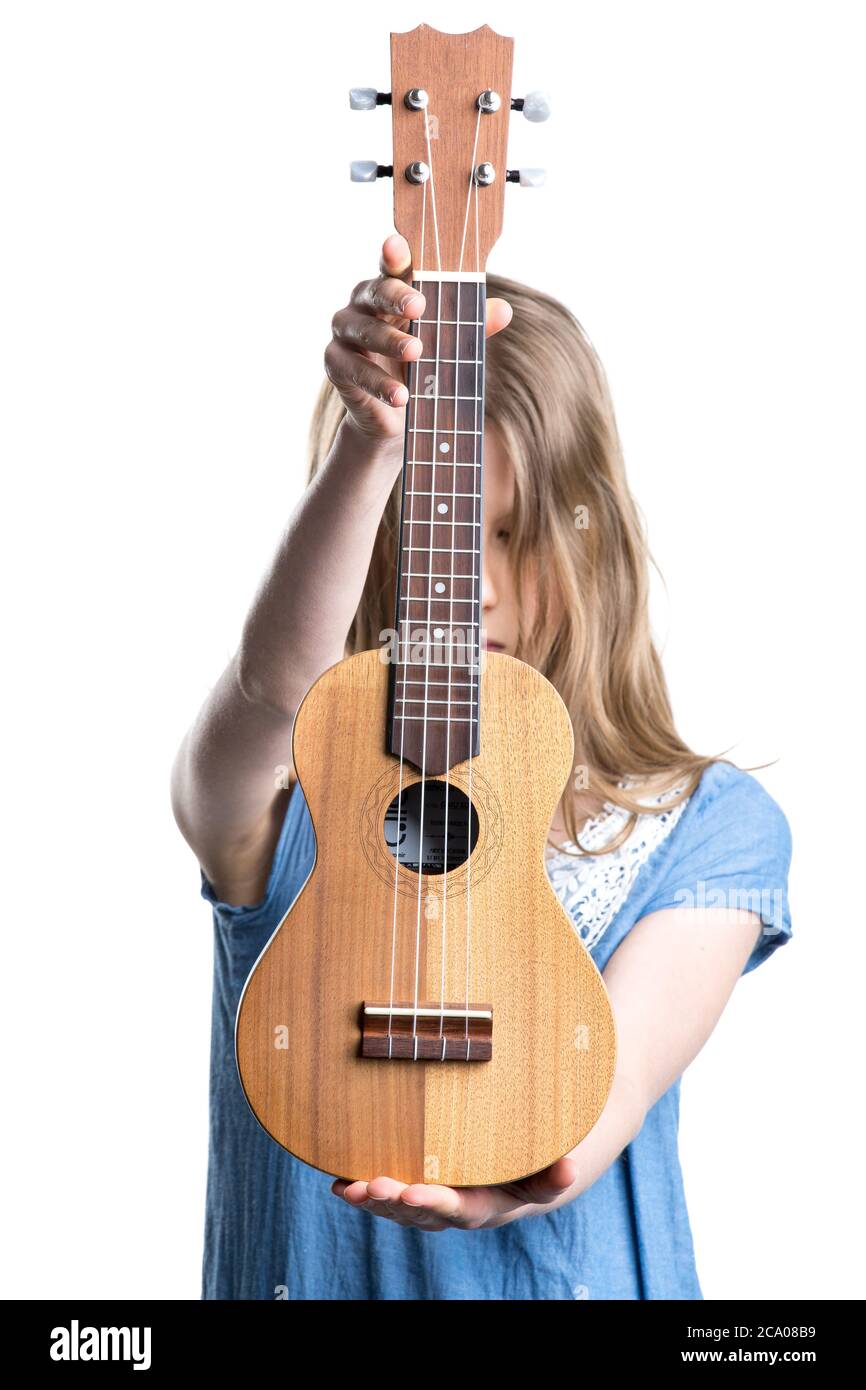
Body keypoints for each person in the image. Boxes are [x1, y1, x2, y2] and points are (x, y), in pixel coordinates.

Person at [171, 233, 793, 1300]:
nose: (476, 589)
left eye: (507, 534)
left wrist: (519, 1181)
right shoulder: (292, 796)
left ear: (589, 539)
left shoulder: (706, 823)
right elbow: (275, 691)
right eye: (425, 532)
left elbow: (612, 1087)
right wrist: (371, 448)